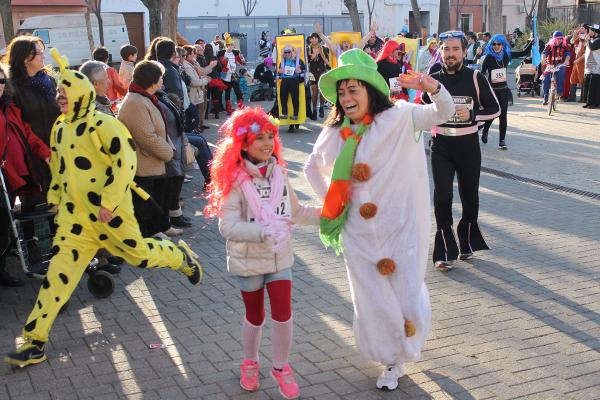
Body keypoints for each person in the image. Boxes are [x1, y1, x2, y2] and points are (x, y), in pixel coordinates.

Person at [3, 49, 202, 368]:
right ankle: (34, 342)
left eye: (65, 92)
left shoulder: (104, 124)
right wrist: (55, 195)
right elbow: (59, 168)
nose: (60, 97)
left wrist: (109, 202)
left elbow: (125, 163)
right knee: (57, 280)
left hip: (112, 218)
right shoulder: (59, 128)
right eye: (58, 92)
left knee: (139, 256)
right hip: (75, 224)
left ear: (81, 92)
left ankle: (181, 258)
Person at [303, 49, 455, 391]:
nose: (346, 98)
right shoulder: (336, 129)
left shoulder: (400, 117)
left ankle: (401, 351)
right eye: (341, 92)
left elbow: (443, 113)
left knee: (404, 292)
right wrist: (335, 202)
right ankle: (390, 358)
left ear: (370, 90)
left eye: (353, 90)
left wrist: (432, 86)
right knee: (371, 298)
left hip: (400, 228)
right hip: (357, 233)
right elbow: (311, 167)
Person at [204, 107, 321, 400]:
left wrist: (331, 213)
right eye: (259, 138)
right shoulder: (235, 182)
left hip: (280, 257)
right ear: (243, 143)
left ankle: (281, 367)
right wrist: (262, 231)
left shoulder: (280, 175)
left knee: (283, 314)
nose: (267, 143)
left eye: (271, 136)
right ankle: (250, 363)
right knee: (255, 316)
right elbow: (227, 227)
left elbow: (297, 212)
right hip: (248, 261)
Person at [420, 31, 500, 272]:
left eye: (456, 49)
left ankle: (466, 240)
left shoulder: (475, 77)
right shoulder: (432, 79)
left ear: (465, 52)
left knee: (470, 199)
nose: (451, 53)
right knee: (442, 198)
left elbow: (495, 108)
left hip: (468, 147)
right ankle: (444, 251)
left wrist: (472, 115)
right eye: (446, 49)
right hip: (441, 145)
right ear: (440, 52)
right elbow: (423, 109)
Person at [118, 60, 182, 238]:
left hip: (156, 159)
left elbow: (160, 128)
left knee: (161, 195)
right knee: (147, 200)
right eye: (160, 77)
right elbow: (146, 136)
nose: (162, 80)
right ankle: (152, 232)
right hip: (145, 161)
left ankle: (162, 226)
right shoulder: (135, 102)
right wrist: (168, 152)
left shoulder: (147, 98)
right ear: (153, 80)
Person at [0, 65, 51, 287]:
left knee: (4, 225)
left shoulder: (10, 108)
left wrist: (49, 155)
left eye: (2, 81)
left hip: (12, 178)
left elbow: (28, 135)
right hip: (4, 176)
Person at [480, 34, 532, 149]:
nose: (496, 46)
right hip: (492, 91)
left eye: (499, 44)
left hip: (503, 90)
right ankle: (486, 130)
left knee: (503, 116)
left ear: (503, 45)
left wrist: (531, 42)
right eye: (494, 44)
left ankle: (502, 141)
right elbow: (482, 74)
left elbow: (523, 53)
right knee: (493, 114)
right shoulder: (488, 57)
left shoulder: (506, 55)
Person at [6, 36, 60, 146]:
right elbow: (17, 127)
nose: (43, 57)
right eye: (39, 53)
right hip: (31, 154)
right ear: (25, 58)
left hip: (59, 149)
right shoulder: (11, 89)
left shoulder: (50, 82)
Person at [278, 46, 306, 131]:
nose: (287, 54)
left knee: (295, 99)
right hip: (285, 80)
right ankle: (284, 113)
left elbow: (305, 71)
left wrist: (300, 71)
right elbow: (278, 73)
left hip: (294, 80)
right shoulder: (282, 61)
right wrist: (280, 72)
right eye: (285, 52)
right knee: (283, 97)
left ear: (292, 52)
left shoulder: (298, 60)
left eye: (288, 52)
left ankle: (295, 114)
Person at [218, 33, 246, 114]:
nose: (231, 46)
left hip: (233, 74)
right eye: (229, 45)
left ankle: (240, 107)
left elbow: (242, 63)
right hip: (225, 75)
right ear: (226, 45)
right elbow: (221, 64)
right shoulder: (221, 53)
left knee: (238, 91)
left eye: (232, 45)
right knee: (227, 92)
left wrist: (242, 59)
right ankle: (229, 109)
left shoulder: (236, 52)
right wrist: (224, 61)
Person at [541, 31, 571, 105]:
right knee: (545, 80)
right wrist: (543, 59)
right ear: (554, 39)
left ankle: (559, 92)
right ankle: (545, 97)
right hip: (550, 65)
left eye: (561, 38)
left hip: (560, 64)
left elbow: (568, 53)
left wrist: (567, 60)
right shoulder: (549, 45)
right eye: (558, 39)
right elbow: (544, 53)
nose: (560, 40)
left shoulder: (565, 45)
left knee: (561, 75)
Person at [306, 32, 331, 119]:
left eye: (315, 38)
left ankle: (321, 108)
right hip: (312, 72)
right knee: (314, 92)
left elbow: (327, 60)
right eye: (312, 38)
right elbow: (308, 60)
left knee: (322, 91)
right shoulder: (307, 49)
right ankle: (314, 110)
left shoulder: (323, 48)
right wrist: (316, 53)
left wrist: (331, 66)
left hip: (322, 71)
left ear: (318, 39)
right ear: (310, 40)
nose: (314, 39)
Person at [582, 24, 600, 108]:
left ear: (595, 31)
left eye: (590, 30)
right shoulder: (592, 39)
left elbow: (592, 47)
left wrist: (588, 40)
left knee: (594, 87)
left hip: (596, 68)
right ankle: (588, 102)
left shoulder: (598, 40)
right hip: (588, 68)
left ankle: (595, 103)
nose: (589, 32)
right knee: (588, 86)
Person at [569, 27, 586, 102]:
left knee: (582, 80)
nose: (581, 35)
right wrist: (578, 30)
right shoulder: (577, 41)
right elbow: (574, 36)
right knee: (573, 79)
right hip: (576, 63)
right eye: (580, 34)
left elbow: (586, 53)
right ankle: (572, 97)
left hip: (582, 63)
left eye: (583, 34)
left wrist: (578, 60)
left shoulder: (586, 42)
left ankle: (583, 98)